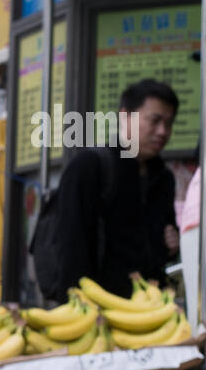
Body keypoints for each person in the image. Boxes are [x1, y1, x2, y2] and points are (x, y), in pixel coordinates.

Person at [39, 78, 180, 299]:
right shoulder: (90, 167)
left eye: (169, 123)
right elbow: (71, 249)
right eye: (155, 121)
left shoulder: (163, 179)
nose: (163, 131)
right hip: (99, 309)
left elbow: (159, 244)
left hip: (150, 309)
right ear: (125, 116)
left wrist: (172, 245)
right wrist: (77, 309)